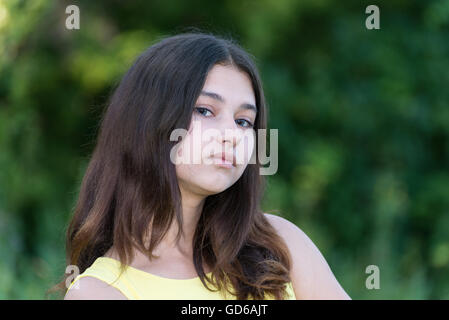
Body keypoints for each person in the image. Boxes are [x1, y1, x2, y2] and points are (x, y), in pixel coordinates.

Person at [57, 31, 350, 300]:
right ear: (147, 121)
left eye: (243, 121)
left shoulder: (281, 246)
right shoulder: (98, 292)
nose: (232, 136)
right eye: (205, 110)